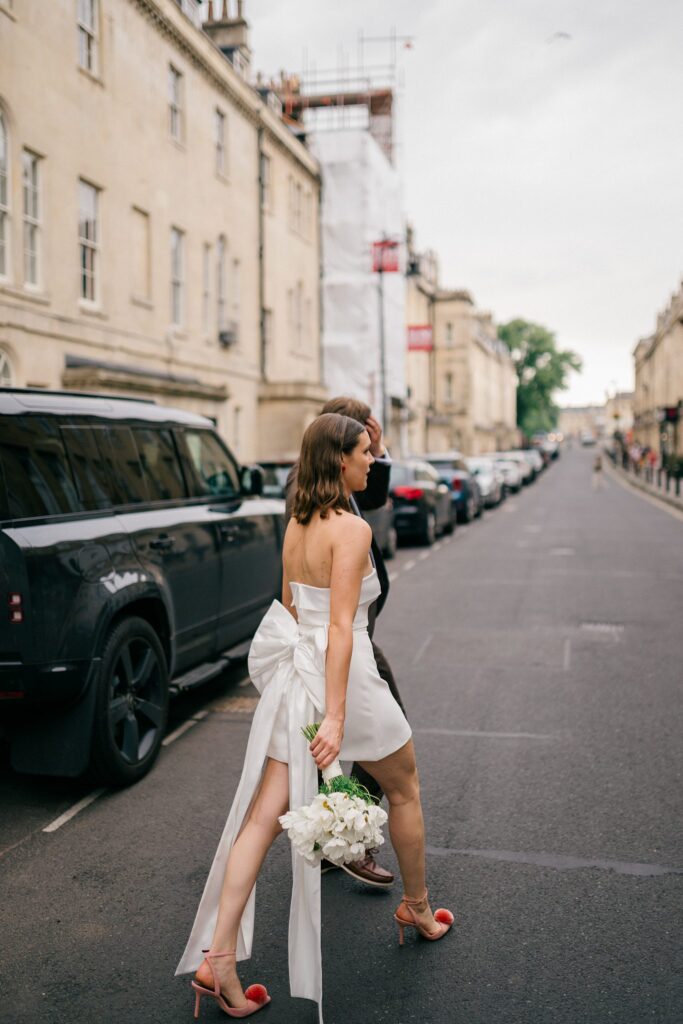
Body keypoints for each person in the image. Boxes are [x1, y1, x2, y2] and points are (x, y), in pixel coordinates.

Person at [176, 414, 452, 1022]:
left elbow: (288, 611)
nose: (372, 462)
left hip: (297, 678)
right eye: (364, 452)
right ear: (339, 461)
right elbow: (338, 629)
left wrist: (306, 702)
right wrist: (336, 716)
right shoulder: (350, 530)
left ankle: (218, 957)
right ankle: (418, 908)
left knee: (260, 820)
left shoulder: (297, 525)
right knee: (403, 789)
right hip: (341, 681)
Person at [285, 396, 404, 888]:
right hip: (339, 635)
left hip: (344, 631)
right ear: (340, 447)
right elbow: (307, 593)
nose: (370, 459)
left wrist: (378, 449)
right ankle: (347, 837)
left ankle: (335, 832)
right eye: (363, 446)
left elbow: (373, 498)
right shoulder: (312, 492)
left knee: (323, 747)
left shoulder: (343, 484)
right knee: (369, 740)